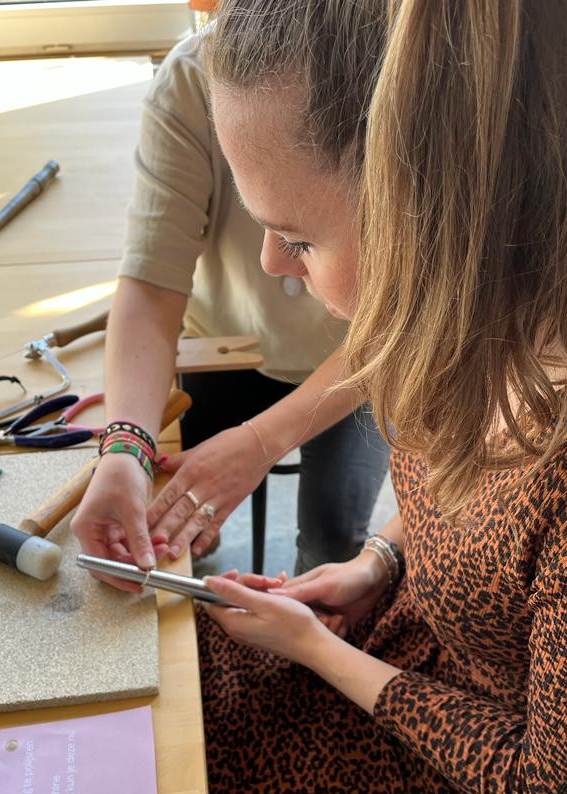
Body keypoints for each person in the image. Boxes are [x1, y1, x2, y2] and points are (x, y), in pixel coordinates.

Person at [172, 2, 567, 794]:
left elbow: (559, 791)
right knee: (155, 706)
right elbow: (466, 497)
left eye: (296, 234)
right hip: (408, 645)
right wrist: (379, 565)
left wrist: (323, 654)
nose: (269, 264)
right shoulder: (485, 315)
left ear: (452, 219)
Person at [70, 12, 391, 578]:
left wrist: (262, 441)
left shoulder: (406, 80)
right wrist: (126, 444)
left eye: (297, 237)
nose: (272, 263)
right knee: (180, 531)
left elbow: (408, 318)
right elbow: (151, 278)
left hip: (362, 366)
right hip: (227, 341)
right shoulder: (195, 80)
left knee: (335, 541)